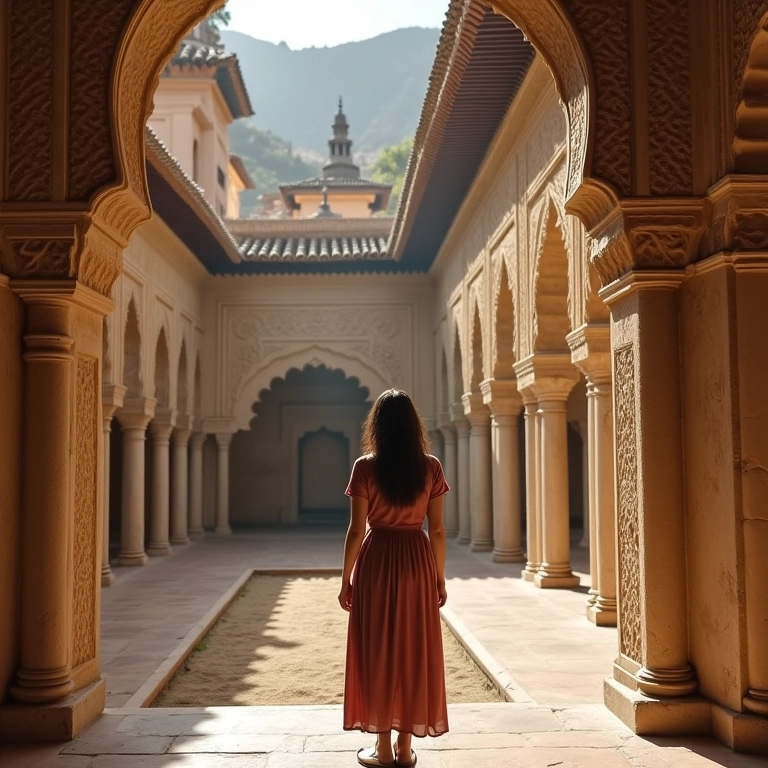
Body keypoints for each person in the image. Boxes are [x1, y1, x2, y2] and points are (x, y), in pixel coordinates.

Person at [338, 389, 450, 768]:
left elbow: (356, 530)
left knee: (378, 651)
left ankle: (382, 748)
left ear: (378, 426)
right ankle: (405, 747)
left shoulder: (365, 467)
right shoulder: (431, 467)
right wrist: (439, 578)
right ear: (414, 426)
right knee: (413, 651)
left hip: (378, 561)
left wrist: (345, 579)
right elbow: (437, 531)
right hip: (416, 561)